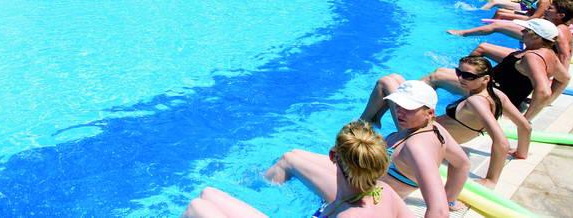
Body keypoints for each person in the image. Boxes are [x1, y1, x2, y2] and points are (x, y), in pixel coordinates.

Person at [269, 81, 468, 218]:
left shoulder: (417, 147)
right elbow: (462, 163)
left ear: (429, 112)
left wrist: (445, 204)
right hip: (367, 184)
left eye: (408, 108)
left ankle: (267, 195)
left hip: (362, 196)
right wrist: (451, 199)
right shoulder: (435, 129)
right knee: (294, 154)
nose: (400, 112)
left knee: (288, 160)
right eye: (398, 105)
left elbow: (439, 211)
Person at [359, 56, 531, 188]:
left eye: (468, 76)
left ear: (486, 79)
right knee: (395, 78)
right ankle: (372, 120)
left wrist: (491, 180)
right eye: (459, 72)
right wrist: (521, 152)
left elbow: (501, 141)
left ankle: (363, 125)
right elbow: (525, 126)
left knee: (385, 82)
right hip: (429, 129)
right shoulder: (497, 95)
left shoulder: (476, 102)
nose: (461, 78)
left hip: (421, 134)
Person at [185, 121, 412, 218]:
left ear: (332, 156)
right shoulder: (383, 191)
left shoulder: (349, 214)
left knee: (197, 208)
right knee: (207, 194)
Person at [424, 18, 570, 120]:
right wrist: (547, 102)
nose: (522, 31)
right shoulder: (549, 54)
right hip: (499, 91)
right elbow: (564, 79)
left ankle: (418, 110)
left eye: (527, 30)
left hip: (493, 96)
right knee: (481, 49)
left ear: (537, 37)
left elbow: (543, 91)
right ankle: (468, 76)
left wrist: (525, 120)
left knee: (436, 76)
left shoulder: (532, 58)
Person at [447, 0, 573, 66]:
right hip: (536, 52)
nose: (546, 9)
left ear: (560, 15)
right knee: (497, 27)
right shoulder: (554, 25)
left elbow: (565, 56)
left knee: (484, 45)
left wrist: (552, 76)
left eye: (550, 8)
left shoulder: (560, 31)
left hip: (537, 62)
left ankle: (467, 74)